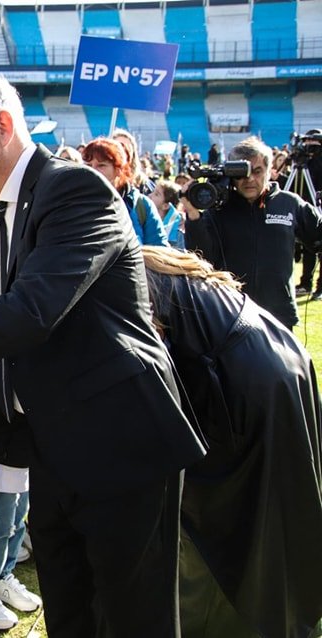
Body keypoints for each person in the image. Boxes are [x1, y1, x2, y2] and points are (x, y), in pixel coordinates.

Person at [0, 72, 206, 638]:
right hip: (46, 441)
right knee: (68, 604)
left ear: (2, 125)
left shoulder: (76, 192)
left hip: (119, 439)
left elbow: (30, 312)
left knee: (132, 612)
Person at [141, 246, 322, 638]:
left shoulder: (134, 282)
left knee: (243, 515)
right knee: (282, 500)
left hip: (250, 385)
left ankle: (252, 617)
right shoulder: (160, 263)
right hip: (281, 358)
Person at [183, 136, 322, 328]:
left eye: (257, 171)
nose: (249, 179)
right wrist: (193, 214)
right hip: (230, 314)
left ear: (270, 171)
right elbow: (201, 258)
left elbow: (318, 238)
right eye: (242, 173)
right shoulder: (218, 210)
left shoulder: (289, 203)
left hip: (279, 314)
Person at [83, 138, 168, 246]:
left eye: (101, 165)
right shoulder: (73, 203)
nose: (93, 170)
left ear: (118, 170)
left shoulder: (141, 205)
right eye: (88, 165)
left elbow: (160, 251)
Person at [149, 179, 185, 250]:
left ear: (165, 206)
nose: (150, 195)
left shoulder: (176, 232)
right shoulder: (146, 218)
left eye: (156, 194)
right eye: (153, 192)